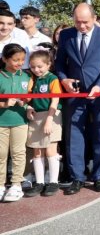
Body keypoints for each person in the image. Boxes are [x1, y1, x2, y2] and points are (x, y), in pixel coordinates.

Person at [54, 3, 100, 195]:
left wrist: (99, 86)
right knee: (74, 136)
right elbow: (59, 63)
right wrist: (64, 80)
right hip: (74, 94)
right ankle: (77, 177)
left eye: (86, 22)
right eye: (78, 22)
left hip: (99, 94)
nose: (81, 26)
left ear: (94, 19)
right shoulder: (66, 35)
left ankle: (99, 176)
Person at [23, 51, 62, 197]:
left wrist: (49, 119)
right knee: (37, 150)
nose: (36, 70)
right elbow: (29, 98)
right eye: (33, 67)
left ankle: (53, 181)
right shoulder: (32, 79)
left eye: (40, 66)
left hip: (51, 115)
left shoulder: (53, 78)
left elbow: (55, 100)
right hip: (36, 116)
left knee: (51, 149)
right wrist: (29, 107)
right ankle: (39, 182)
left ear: (48, 64)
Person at [0, 44, 30, 202]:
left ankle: (16, 184)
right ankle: (0, 185)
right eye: (16, 59)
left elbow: (30, 96)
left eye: (22, 60)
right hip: (1, 122)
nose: (20, 63)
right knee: (1, 154)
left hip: (20, 121)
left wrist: (27, 103)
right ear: (5, 59)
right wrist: (5, 104)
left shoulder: (26, 76)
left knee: (18, 153)